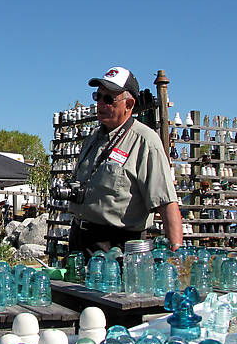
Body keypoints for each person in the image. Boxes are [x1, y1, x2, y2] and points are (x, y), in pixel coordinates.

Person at [67, 66, 183, 258]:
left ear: (129, 104)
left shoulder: (144, 140)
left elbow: (166, 202)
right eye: (98, 96)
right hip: (80, 239)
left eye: (108, 99)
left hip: (116, 247)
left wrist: (177, 253)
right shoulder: (93, 138)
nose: (100, 104)